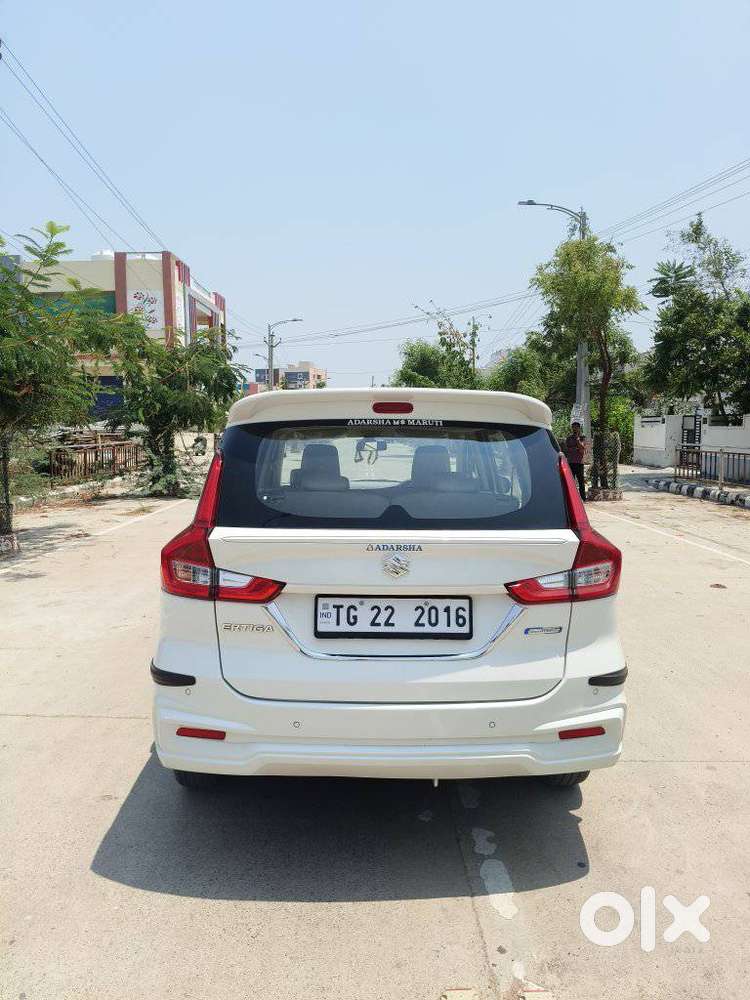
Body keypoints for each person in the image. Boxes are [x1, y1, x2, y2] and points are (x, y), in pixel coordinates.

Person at [564, 421, 587, 500]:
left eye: (576, 427)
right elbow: (567, 450)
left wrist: (577, 439)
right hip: (571, 462)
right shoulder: (569, 438)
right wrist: (576, 448)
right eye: (573, 427)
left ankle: (583, 498)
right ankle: (572, 498)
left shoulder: (582, 437)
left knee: (581, 481)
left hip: (579, 463)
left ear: (579, 428)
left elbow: (582, 449)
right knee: (571, 481)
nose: (574, 429)